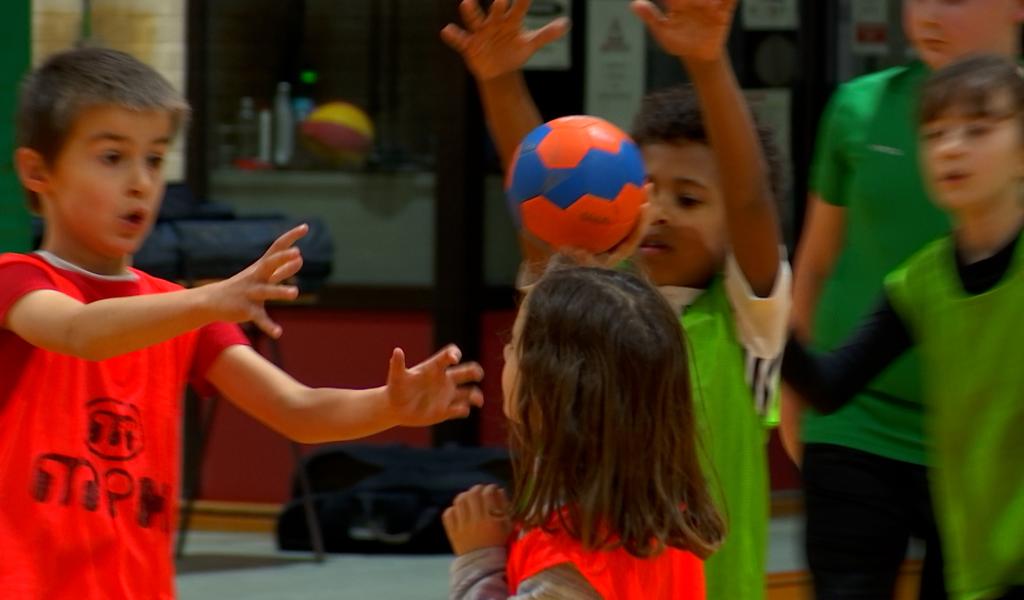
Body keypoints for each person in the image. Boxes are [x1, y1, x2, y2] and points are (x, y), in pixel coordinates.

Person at [0, 47, 484, 599]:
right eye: (112, 157)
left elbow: (297, 410)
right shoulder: (16, 280)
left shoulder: (177, 309)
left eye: (154, 159)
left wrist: (389, 406)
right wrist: (208, 301)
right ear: (37, 172)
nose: (140, 182)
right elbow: (79, 332)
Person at [441, 1, 790, 597]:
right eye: (646, 192)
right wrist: (500, 80)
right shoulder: (594, 305)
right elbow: (544, 199)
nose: (661, 213)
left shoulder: (745, 323)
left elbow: (751, 199)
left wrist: (707, 62)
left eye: (689, 199)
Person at [784, 2, 1023, 596]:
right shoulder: (920, 282)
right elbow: (830, 384)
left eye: (977, 130)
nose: (951, 148)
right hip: (972, 542)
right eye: (935, 135)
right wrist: (762, 320)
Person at [445, 262, 725, 598]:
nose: (505, 352)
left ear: (551, 392)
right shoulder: (660, 511)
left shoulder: (569, 563)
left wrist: (478, 558)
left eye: (516, 344)